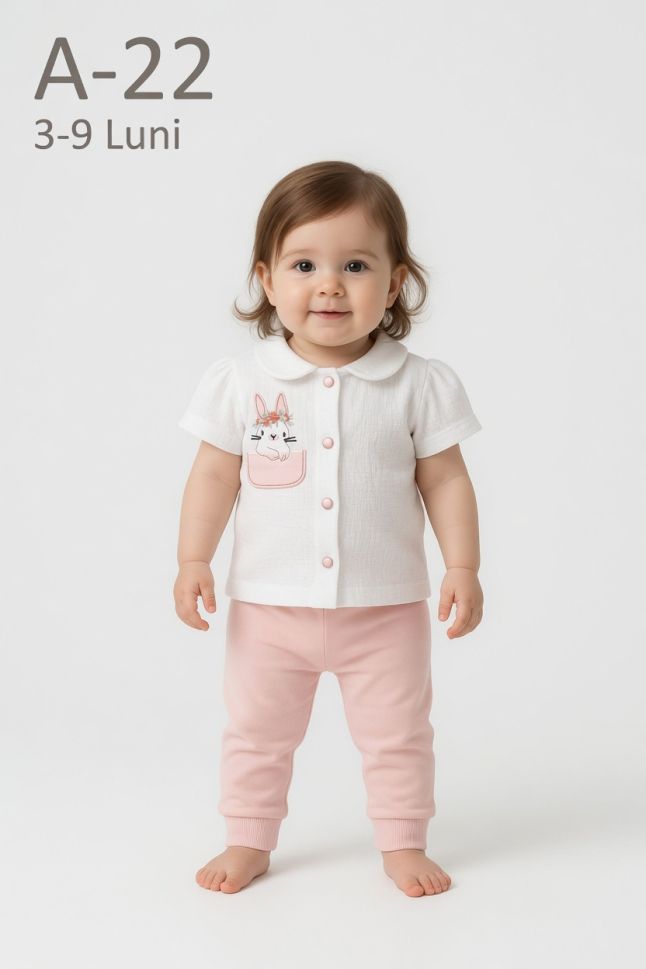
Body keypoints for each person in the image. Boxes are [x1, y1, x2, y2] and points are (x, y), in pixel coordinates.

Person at [174, 160, 484, 898]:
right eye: (304, 264)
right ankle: (248, 836)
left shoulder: (418, 382)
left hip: (385, 608)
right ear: (266, 277)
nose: (330, 286)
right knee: (256, 731)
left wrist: (462, 567)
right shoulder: (242, 382)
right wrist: (194, 559)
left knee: (399, 733)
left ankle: (402, 839)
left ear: (396, 282)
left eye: (356, 265)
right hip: (269, 607)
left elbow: (445, 479)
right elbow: (213, 476)